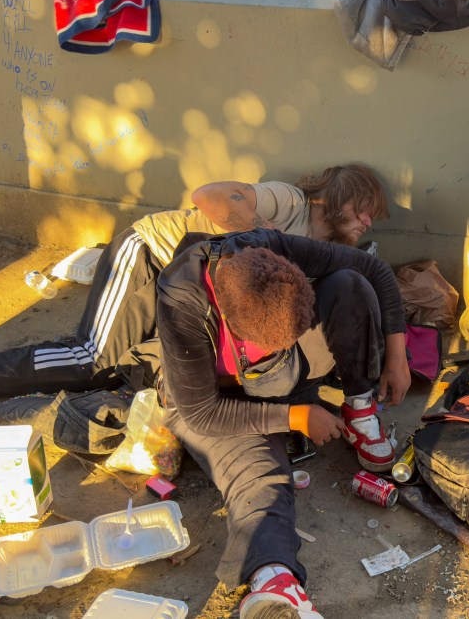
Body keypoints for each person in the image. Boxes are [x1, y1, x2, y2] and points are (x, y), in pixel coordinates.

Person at [0, 164, 389, 400]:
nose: (367, 221)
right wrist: (249, 238)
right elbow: (209, 196)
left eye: (373, 215)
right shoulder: (290, 202)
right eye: (362, 208)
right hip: (150, 257)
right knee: (88, 361)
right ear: (336, 197)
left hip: (188, 294)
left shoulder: (330, 254)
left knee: (120, 372)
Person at [157, 229, 409, 617]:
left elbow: (375, 269)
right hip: (216, 401)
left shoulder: (270, 248)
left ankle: (359, 406)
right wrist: (293, 416)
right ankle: (275, 582)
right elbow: (201, 412)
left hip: (280, 379)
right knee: (261, 477)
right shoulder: (181, 301)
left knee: (349, 284)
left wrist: (397, 356)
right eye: (269, 349)